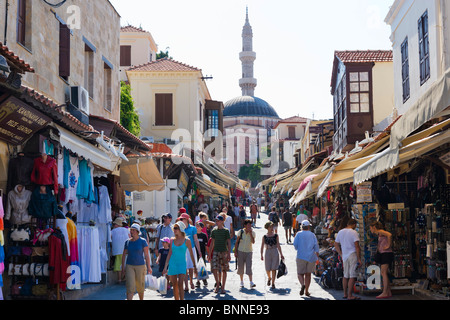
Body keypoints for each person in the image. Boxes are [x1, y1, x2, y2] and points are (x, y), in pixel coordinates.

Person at [163, 221, 196, 301]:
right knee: (174, 285)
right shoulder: (172, 240)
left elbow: (191, 254)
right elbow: (170, 253)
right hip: (172, 264)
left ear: (181, 229)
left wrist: (195, 266)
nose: (174, 230)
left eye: (176, 228)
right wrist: (165, 267)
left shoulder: (187, 241)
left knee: (180, 283)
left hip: (182, 264)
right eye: (174, 228)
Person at [121, 223, 152, 300]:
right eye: (131, 230)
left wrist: (149, 267)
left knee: (140, 286)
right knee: (130, 287)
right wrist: (123, 268)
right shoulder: (127, 242)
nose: (132, 232)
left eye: (133, 230)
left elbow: (146, 255)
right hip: (129, 266)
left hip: (140, 266)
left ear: (137, 231)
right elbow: (124, 255)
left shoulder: (143, 241)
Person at [335, 218, 362, 300]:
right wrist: (359, 259)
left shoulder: (341, 232)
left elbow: (336, 244)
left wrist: (340, 253)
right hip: (352, 255)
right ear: (354, 225)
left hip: (345, 256)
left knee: (345, 275)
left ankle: (345, 294)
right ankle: (350, 295)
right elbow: (357, 246)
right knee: (352, 275)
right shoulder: (354, 232)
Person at [293, 220, 319, 297]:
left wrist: (300, 249)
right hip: (311, 257)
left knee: (300, 273)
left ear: (302, 226)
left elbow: (295, 245)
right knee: (308, 275)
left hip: (301, 256)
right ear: (308, 227)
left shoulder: (298, 234)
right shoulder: (312, 235)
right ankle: (306, 291)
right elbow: (316, 247)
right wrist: (317, 256)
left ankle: (302, 284)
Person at [370, 221, 393, 299]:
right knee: (384, 272)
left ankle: (385, 292)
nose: (370, 230)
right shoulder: (379, 233)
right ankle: (388, 291)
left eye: (371, 228)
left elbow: (389, 235)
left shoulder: (380, 231)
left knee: (383, 273)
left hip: (386, 253)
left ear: (374, 227)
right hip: (384, 253)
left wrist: (388, 245)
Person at [179, 213, 203, 292]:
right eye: (180, 219)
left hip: (191, 249)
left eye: (182, 219)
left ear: (187, 220)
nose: (181, 220)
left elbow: (196, 240)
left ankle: (191, 282)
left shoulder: (193, 228)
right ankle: (186, 285)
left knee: (191, 267)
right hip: (183, 249)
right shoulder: (179, 229)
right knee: (184, 267)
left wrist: (199, 251)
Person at [209, 215, 231, 294]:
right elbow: (212, 243)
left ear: (222, 221)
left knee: (224, 270)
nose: (217, 222)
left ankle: (223, 287)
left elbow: (228, 242)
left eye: (218, 221)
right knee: (214, 268)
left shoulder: (226, 231)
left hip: (224, 251)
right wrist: (209, 254)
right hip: (215, 251)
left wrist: (229, 253)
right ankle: (217, 284)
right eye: (216, 221)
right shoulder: (214, 231)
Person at [261, 221, 284, 289]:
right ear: (267, 228)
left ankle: (273, 283)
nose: (272, 228)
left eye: (272, 227)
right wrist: (261, 254)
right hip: (267, 251)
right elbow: (262, 246)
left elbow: (278, 245)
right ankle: (269, 277)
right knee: (267, 268)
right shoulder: (264, 236)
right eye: (270, 227)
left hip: (274, 251)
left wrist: (281, 254)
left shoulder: (276, 235)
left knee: (274, 268)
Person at [235, 219, 256, 288]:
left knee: (249, 266)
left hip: (249, 251)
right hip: (240, 251)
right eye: (248, 225)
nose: (250, 226)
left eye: (250, 225)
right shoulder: (240, 232)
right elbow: (237, 242)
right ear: (245, 225)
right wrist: (235, 251)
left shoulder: (253, 233)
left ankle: (251, 282)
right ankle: (241, 281)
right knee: (241, 267)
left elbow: (253, 242)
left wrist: (250, 233)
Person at [111, 218, 130, 283]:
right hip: (126, 249)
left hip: (117, 250)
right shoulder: (126, 230)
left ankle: (119, 279)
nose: (113, 225)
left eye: (114, 224)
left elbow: (110, 238)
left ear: (117, 224)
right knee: (126, 264)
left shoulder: (113, 231)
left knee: (118, 264)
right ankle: (126, 278)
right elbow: (130, 237)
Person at [195, 221, 208, 287]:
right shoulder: (194, 235)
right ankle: (198, 281)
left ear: (201, 228)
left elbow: (206, 245)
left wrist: (208, 253)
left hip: (202, 253)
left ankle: (204, 279)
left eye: (198, 226)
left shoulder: (204, 235)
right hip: (195, 253)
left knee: (202, 266)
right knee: (197, 267)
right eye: (196, 226)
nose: (197, 227)